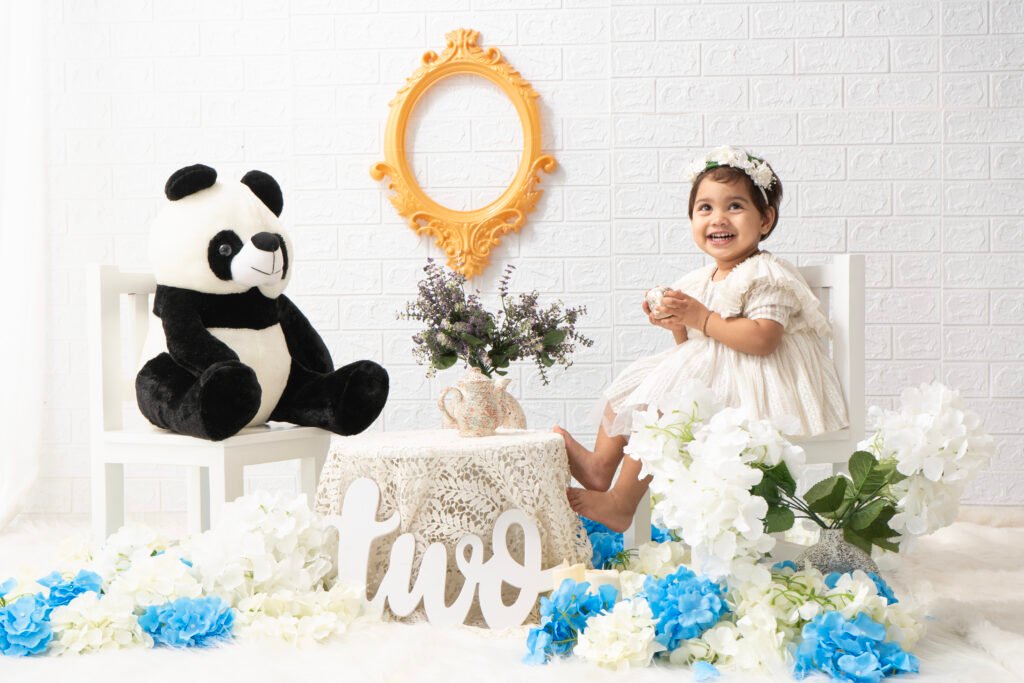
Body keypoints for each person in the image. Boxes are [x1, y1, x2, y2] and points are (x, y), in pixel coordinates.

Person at [559, 146, 849, 533]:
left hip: (760, 384)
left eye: (735, 206)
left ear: (765, 219)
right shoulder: (699, 280)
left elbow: (764, 339)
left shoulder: (765, 274)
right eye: (705, 208)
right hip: (723, 377)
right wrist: (678, 323)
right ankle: (600, 466)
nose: (718, 218)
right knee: (630, 389)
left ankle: (621, 502)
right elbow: (693, 354)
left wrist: (702, 317)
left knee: (665, 406)